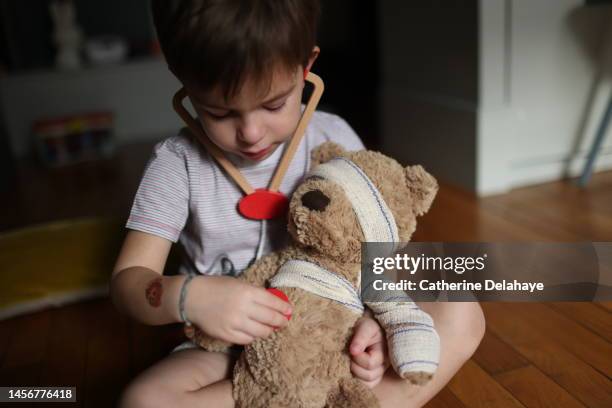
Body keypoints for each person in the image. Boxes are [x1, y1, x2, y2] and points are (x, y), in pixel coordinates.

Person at [111, 1, 485, 407]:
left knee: (460, 308)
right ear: (181, 78)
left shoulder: (332, 135)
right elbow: (128, 283)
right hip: (226, 352)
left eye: (273, 104)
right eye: (218, 112)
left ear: (306, 67)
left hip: (335, 327)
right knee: (143, 401)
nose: (251, 133)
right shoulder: (176, 165)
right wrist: (190, 297)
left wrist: (376, 321)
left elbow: (373, 250)